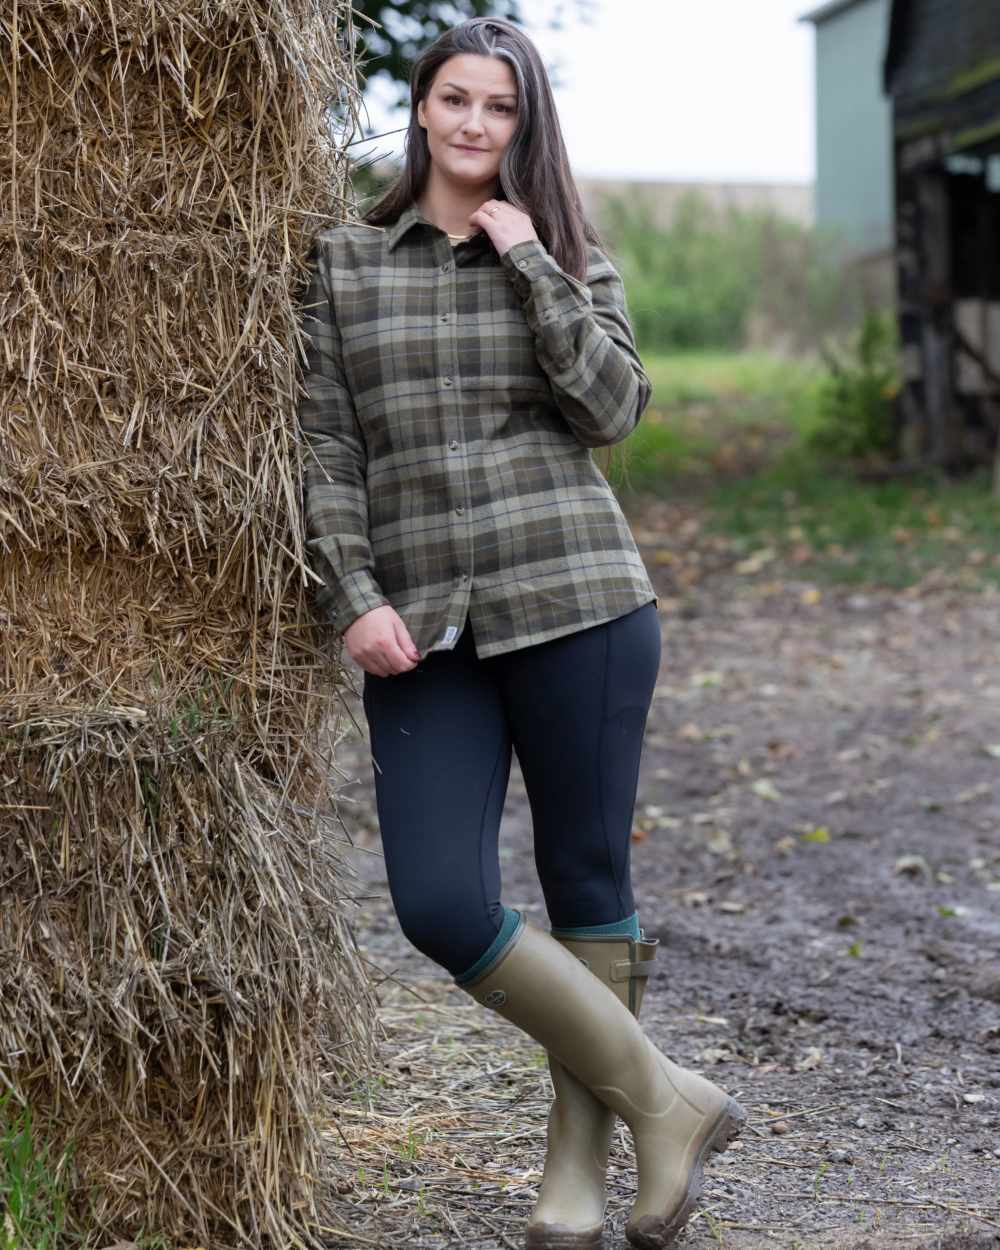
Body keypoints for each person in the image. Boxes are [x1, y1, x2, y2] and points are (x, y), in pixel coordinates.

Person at [296, 17, 745, 1249]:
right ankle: (667, 1099)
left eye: (500, 107)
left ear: (524, 123)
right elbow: (328, 449)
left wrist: (533, 262)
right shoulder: (344, 260)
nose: (474, 125)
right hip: (420, 627)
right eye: (454, 99)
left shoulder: (567, 254)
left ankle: (577, 1183)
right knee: (441, 899)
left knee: (588, 881)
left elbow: (613, 410)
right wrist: (352, 594)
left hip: (580, 604)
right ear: (422, 110)